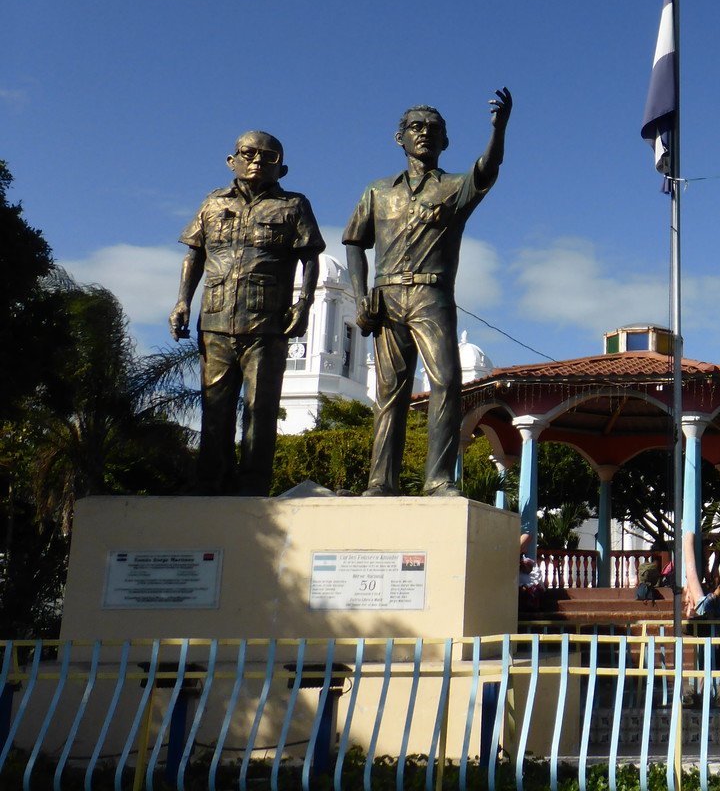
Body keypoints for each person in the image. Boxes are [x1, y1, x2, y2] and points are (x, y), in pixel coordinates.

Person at [344, 90, 512, 496]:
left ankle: (438, 480)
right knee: (389, 392)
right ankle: (381, 482)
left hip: (432, 296)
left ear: (445, 142)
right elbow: (354, 242)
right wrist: (360, 295)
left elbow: (487, 170)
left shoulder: (454, 187)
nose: (425, 134)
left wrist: (499, 129)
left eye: (434, 129)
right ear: (398, 138)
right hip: (386, 297)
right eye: (416, 128)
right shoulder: (378, 191)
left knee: (446, 383)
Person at [171, 131, 324, 495]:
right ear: (232, 160)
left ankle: (253, 487)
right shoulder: (212, 203)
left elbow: (310, 258)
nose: (257, 161)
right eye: (248, 153)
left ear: (281, 169)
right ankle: (211, 483)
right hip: (216, 320)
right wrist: (182, 301)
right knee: (215, 408)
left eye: (268, 157)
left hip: (267, 324)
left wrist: (303, 305)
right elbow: (194, 254)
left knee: (261, 409)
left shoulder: (294, 205)